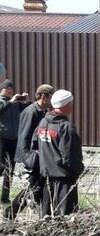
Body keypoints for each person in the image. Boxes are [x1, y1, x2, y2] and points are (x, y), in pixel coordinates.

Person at [4, 84, 55, 219]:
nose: (52, 101)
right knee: (35, 187)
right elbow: (24, 136)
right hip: (30, 156)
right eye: (51, 97)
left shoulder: (42, 111)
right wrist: (29, 157)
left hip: (38, 155)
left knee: (35, 186)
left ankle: (12, 212)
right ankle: (15, 212)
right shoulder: (31, 112)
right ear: (44, 96)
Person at [33, 89, 84, 218]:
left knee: (46, 218)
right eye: (71, 103)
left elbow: (34, 146)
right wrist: (78, 170)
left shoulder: (43, 123)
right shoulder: (66, 127)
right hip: (64, 179)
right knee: (66, 218)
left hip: (46, 178)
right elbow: (70, 156)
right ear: (66, 105)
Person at [0, 79, 30, 207]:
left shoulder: (15, 103)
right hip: (1, 139)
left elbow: (29, 109)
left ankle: (4, 198)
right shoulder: (2, 102)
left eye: (11, 89)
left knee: (9, 169)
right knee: (1, 167)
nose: (10, 91)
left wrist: (26, 101)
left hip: (14, 140)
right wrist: (10, 103)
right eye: (8, 89)